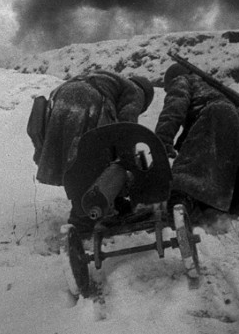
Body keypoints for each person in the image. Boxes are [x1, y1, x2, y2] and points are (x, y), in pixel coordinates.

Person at [154, 63, 239, 221]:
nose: (167, 92)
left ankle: (180, 203)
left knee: (187, 171)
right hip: (238, 123)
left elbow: (174, 109)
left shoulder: (182, 80)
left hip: (216, 117)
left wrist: (161, 141)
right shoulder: (208, 86)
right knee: (234, 173)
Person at [27, 71, 154, 226]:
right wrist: (128, 157)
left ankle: (81, 210)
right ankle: (86, 214)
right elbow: (127, 125)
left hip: (61, 95)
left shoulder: (113, 81)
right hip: (89, 98)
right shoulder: (137, 90)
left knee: (72, 158)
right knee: (95, 155)